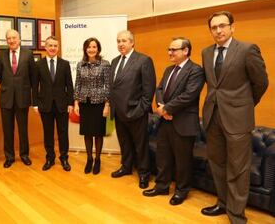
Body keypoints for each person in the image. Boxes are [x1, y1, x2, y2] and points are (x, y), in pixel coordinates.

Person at [200, 11, 268, 223]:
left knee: (238, 168)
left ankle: (236, 215)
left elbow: (261, 83)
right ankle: (223, 203)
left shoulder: (247, 49)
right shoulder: (205, 52)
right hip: (212, 117)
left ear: (232, 27)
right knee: (218, 164)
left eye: (222, 25)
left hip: (238, 119)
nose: (218, 30)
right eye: (214, 27)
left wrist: (245, 105)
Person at [142, 37, 205, 205]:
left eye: (174, 50)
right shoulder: (169, 69)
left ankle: (181, 191)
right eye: (169, 49)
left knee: (183, 161)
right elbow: (159, 89)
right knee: (163, 157)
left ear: (186, 51)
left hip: (184, 123)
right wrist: (163, 109)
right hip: (165, 122)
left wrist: (167, 109)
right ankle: (162, 186)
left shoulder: (196, 70)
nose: (170, 52)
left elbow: (189, 96)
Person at [109, 30, 155, 189]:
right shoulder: (114, 61)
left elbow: (149, 91)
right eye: (118, 41)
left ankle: (144, 173)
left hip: (136, 112)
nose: (120, 44)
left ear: (132, 43)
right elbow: (113, 87)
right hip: (118, 112)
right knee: (124, 143)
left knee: (140, 145)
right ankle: (126, 167)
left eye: (124, 41)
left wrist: (139, 110)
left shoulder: (143, 60)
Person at [33, 36, 74, 171]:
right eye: (50, 45)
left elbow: (69, 85)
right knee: (48, 133)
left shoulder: (65, 64)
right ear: (45, 47)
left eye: (55, 46)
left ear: (58, 47)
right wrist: (35, 104)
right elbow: (35, 86)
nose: (52, 48)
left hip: (62, 105)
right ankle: (50, 158)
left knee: (63, 133)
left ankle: (64, 158)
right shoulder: (38, 64)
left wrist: (70, 103)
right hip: (45, 105)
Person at [0, 29, 37, 168]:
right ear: (6, 41)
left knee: (23, 129)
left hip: (22, 98)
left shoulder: (28, 54)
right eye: (9, 38)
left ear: (19, 39)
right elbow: (0, 76)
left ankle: (24, 155)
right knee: (7, 130)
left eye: (14, 38)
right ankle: (9, 157)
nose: (12, 40)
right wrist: (10, 87)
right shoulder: (1, 55)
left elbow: (33, 76)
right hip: (6, 98)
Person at [73, 37, 110, 175]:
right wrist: (76, 102)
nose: (91, 49)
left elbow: (108, 86)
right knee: (87, 132)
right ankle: (89, 159)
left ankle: (98, 159)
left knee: (98, 133)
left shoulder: (105, 64)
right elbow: (77, 84)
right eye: (89, 47)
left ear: (98, 49)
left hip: (99, 103)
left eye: (94, 47)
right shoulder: (80, 64)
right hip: (84, 103)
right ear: (85, 49)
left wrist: (107, 104)